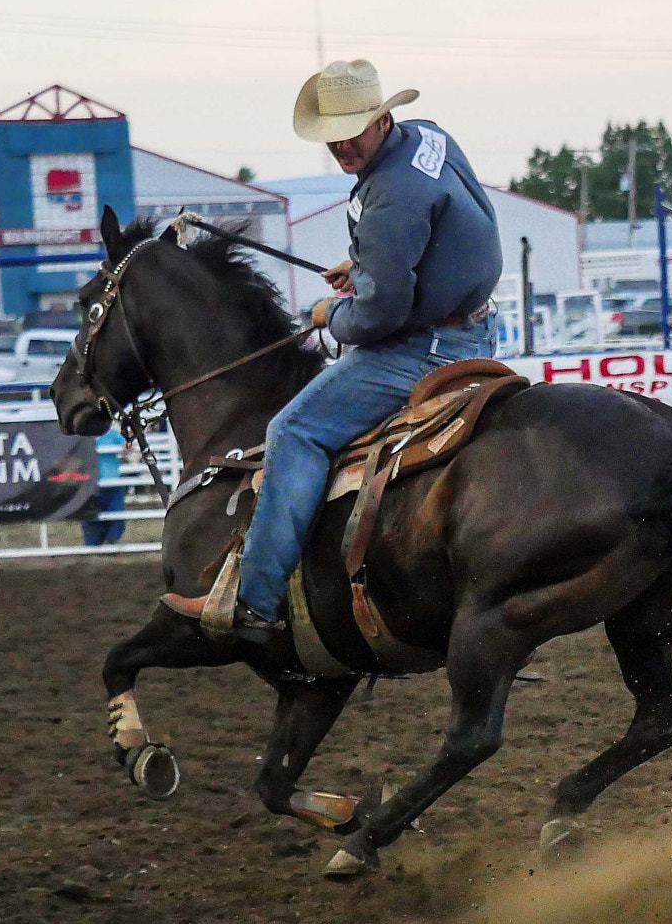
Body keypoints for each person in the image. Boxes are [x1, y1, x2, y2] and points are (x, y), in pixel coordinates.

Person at [164, 59, 502, 644]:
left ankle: (258, 600)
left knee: (294, 429)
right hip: (474, 327)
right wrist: (370, 266)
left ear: (381, 119)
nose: (343, 145)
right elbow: (461, 222)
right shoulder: (429, 138)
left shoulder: (389, 196)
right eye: (333, 135)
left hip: (422, 350)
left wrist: (332, 315)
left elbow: (378, 318)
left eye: (353, 130)